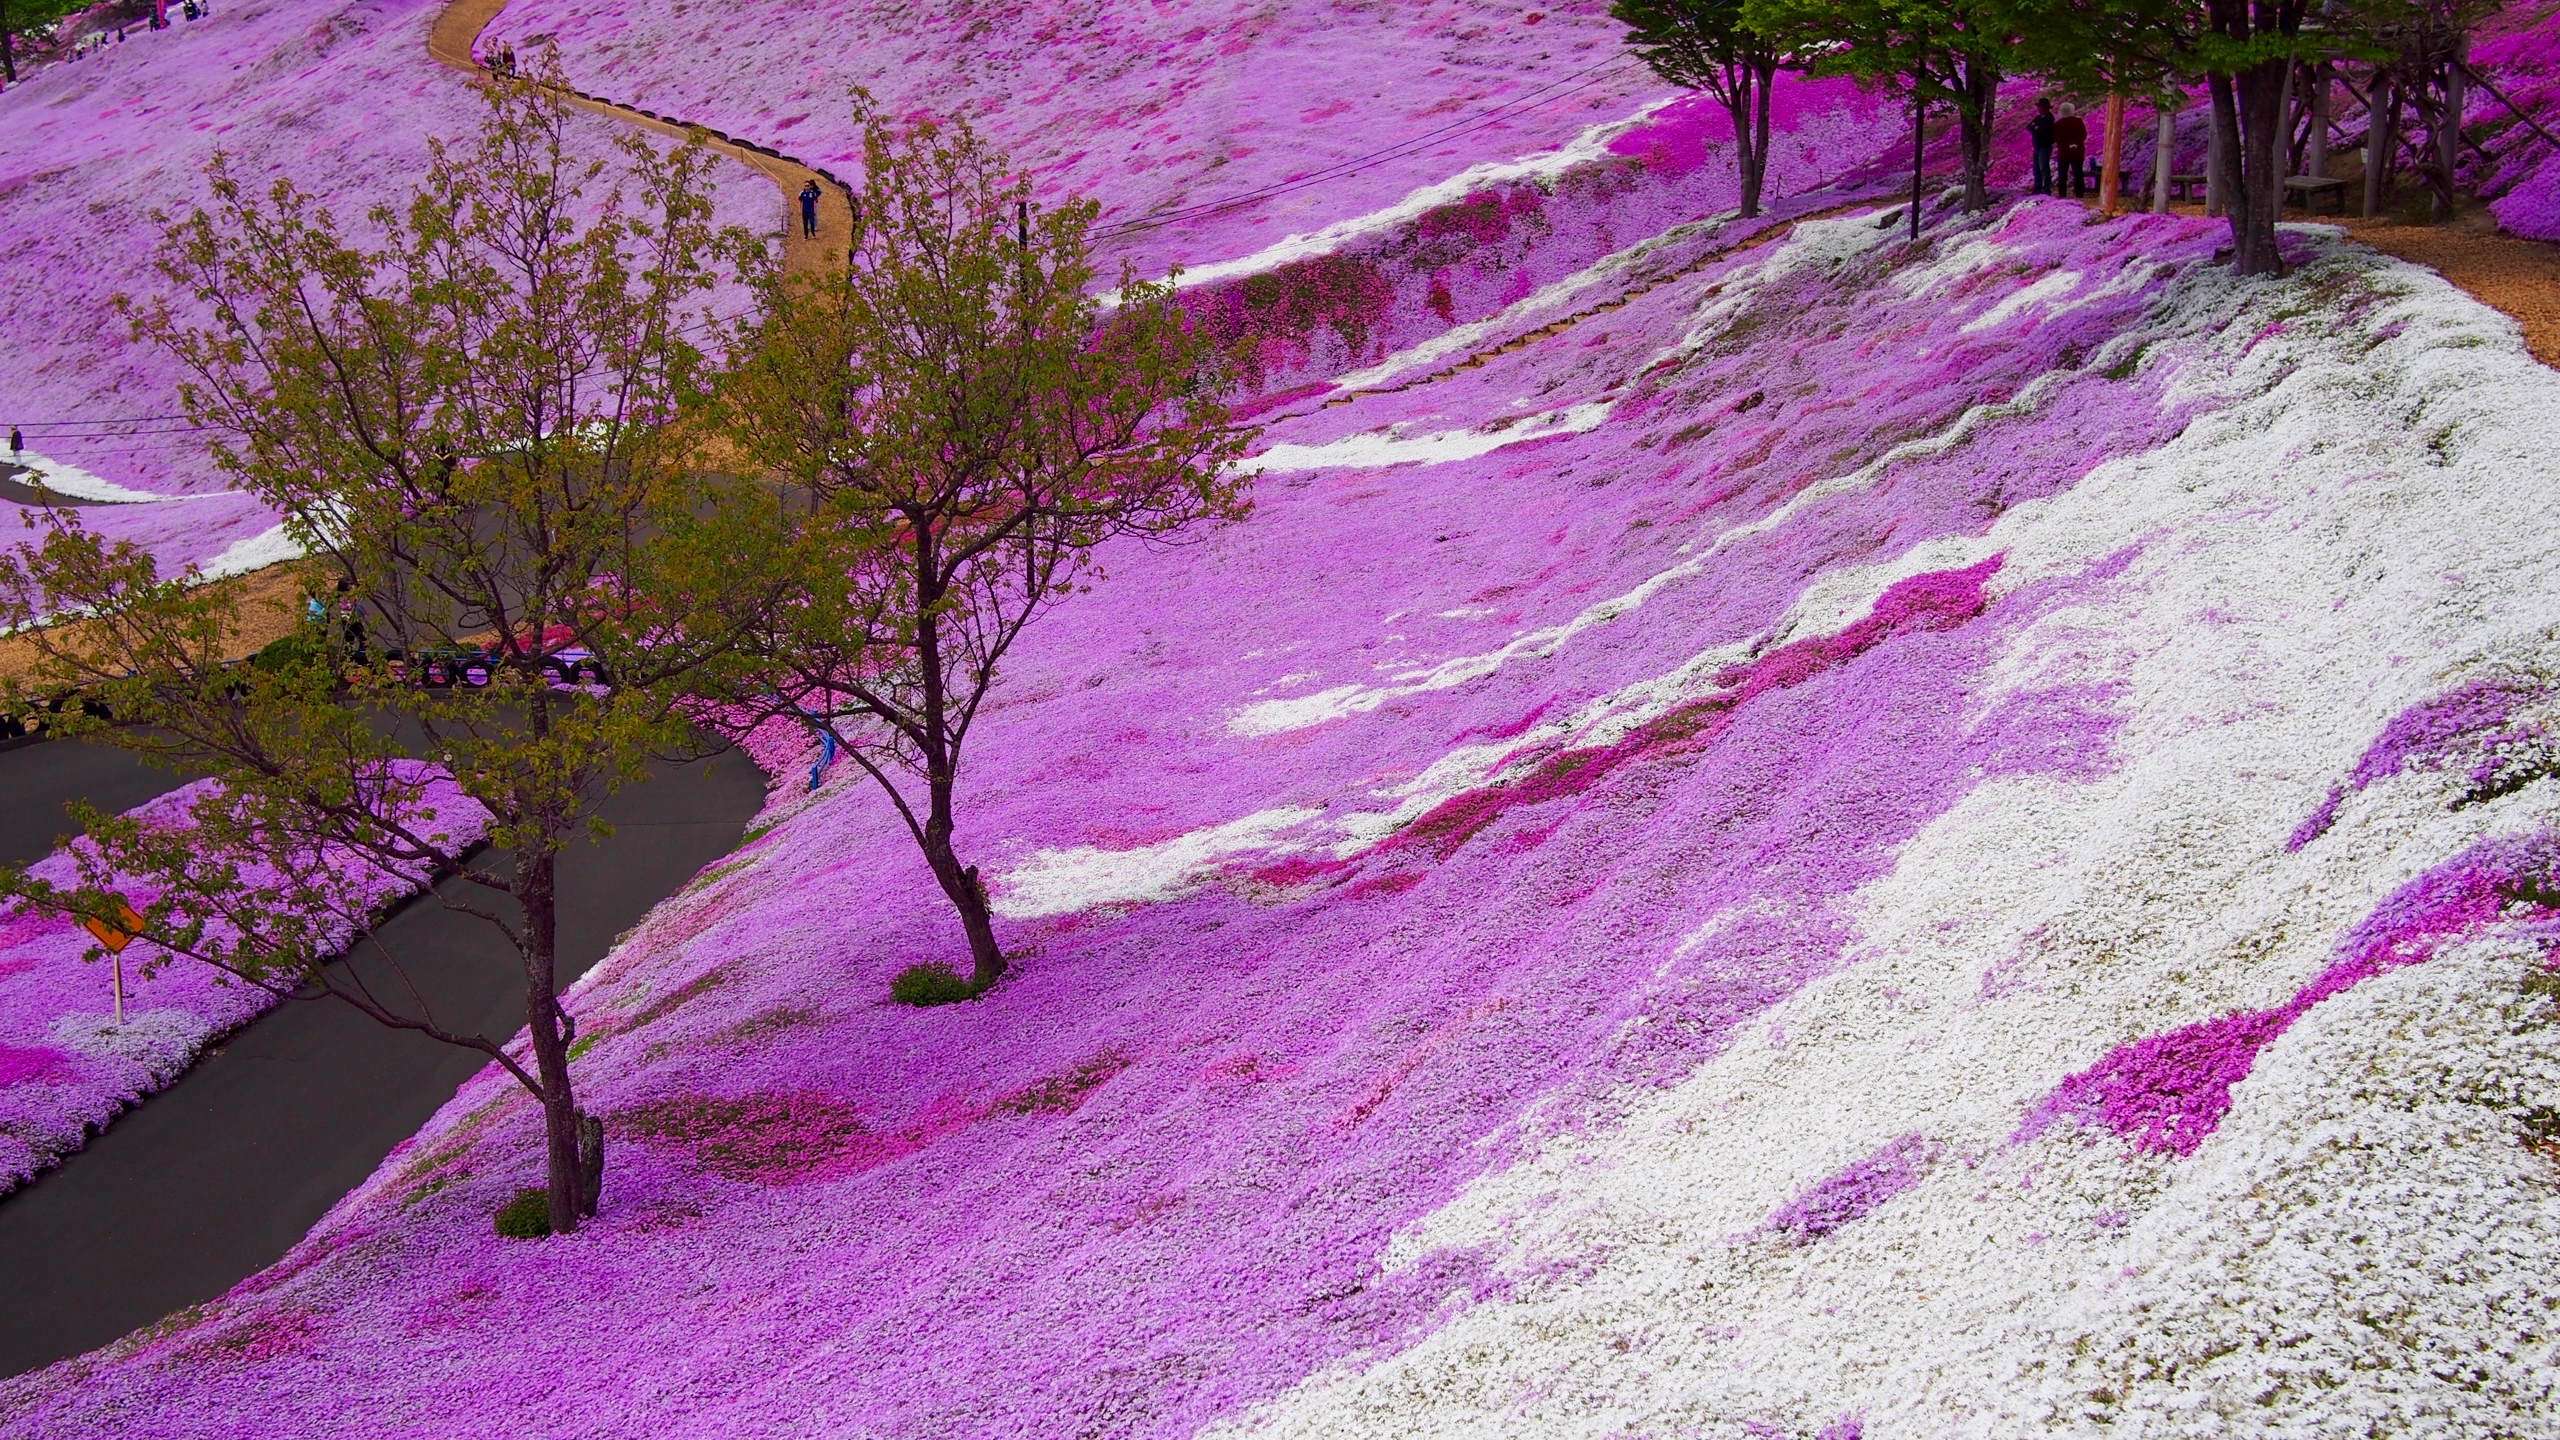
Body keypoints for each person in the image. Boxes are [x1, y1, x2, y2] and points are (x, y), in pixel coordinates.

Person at [2054, 105, 2090, 198]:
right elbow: (2083, 135)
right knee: (2078, 173)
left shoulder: (2058, 123)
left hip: (2064, 152)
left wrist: (2067, 144)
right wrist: (2074, 143)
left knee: (2062, 174)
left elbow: (2057, 138)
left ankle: (2062, 194)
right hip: (2077, 151)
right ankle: (2079, 194)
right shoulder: (2078, 121)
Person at [2028, 99, 2057, 196]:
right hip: (2037, 146)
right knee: (2036, 168)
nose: (2038, 108)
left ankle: (2047, 188)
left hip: (2045, 146)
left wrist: (2036, 128)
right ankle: (2038, 187)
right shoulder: (2038, 118)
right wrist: (2036, 128)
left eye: (2040, 107)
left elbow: (2044, 131)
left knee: (2043, 167)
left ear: (2045, 108)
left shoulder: (2049, 118)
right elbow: (2029, 127)